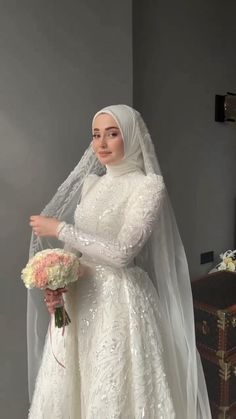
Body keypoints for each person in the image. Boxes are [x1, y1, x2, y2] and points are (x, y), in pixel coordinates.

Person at [27, 105, 212, 418]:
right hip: (79, 295)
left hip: (119, 303)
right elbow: (80, 248)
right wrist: (60, 281)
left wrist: (59, 228)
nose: (101, 143)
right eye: (96, 135)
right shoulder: (91, 184)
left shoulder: (148, 186)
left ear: (131, 136)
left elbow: (123, 252)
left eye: (112, 134)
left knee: (112, 388)